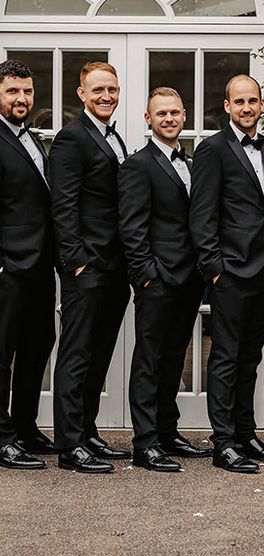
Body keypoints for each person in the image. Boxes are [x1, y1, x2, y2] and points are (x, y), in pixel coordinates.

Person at [190, 75, 264, 474]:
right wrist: (214, 269)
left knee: (250, 356)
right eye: (239, 102)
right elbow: (202, 213)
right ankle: (223, 442)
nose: (247, 108)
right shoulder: (212, 149)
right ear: (227, 107)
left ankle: (246, 434)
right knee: (226, 357)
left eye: (253, 101)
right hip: (230, 270)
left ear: (262, 105)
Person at [118, 87, 211, 472]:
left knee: (175, 358)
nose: (169, 119)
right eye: (161, 114)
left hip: (189, 278)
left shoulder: (189, 162)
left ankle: (167, 431)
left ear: (184, 115)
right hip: (157, 280)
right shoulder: (138, 165)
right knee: (149, 360)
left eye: (175, 112)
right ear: (148, 119)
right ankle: (145, 443)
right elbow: (132, 227)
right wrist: (147, 275)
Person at [50, 61, 131, 474]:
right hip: (87, 265)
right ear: (81, 94)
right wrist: (75, 261)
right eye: (97, 90)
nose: (106, 96)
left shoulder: (113, 136)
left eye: (112, 89)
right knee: (77, 353)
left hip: (116, 266)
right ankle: (69, 444)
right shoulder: (71, 139)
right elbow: (63, 206)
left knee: (99, 353)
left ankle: (87, 430)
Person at [0, 60, 56, 469]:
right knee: (1, 354)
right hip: (8, 268)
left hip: (40, 266)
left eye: (27, 92)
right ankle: (2, 437)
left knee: (38, 346)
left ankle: (24, 426)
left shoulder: (33, 139)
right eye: (12, 92)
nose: (22, 99)